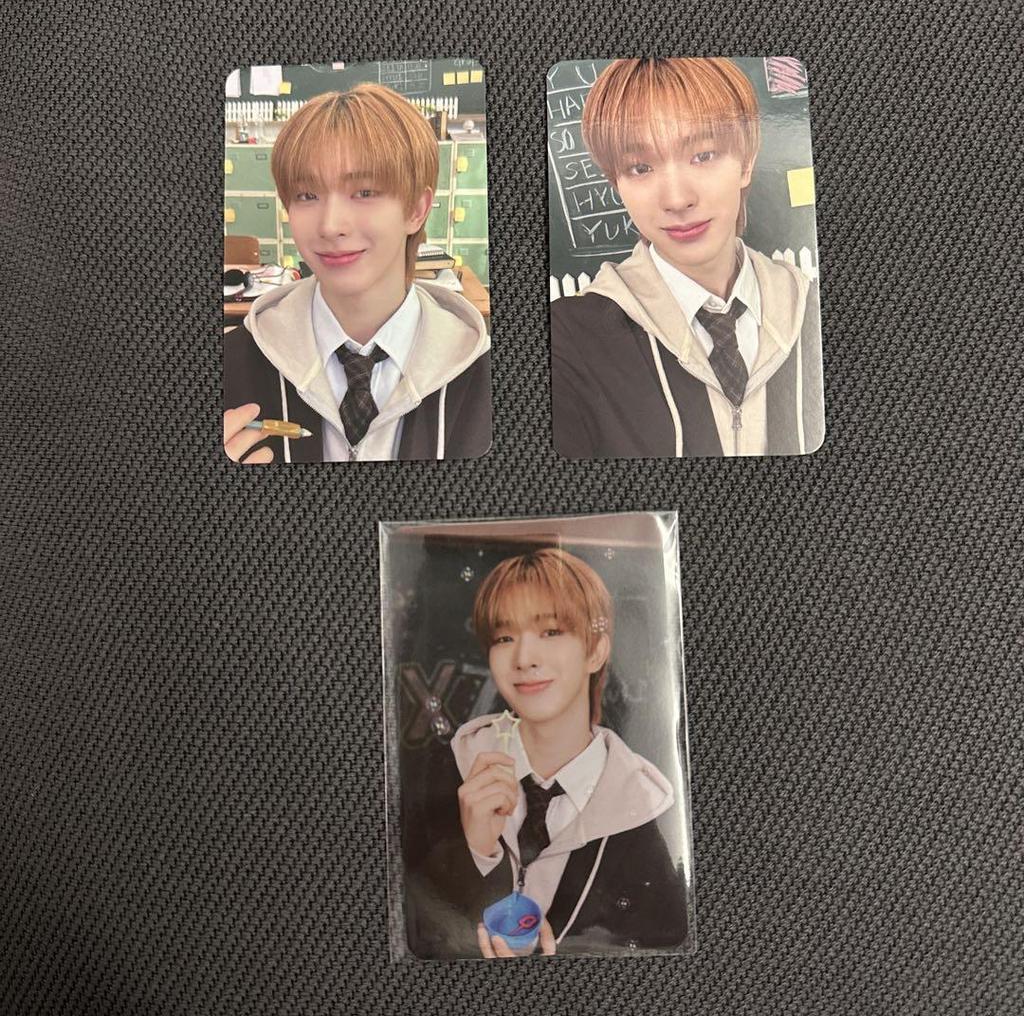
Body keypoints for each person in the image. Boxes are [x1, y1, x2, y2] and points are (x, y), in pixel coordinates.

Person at [404, 548, 689, 959]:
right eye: (504, 638)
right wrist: (477, 852)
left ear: (596, 651)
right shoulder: (449, 769)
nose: (524, 659)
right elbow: (417, 926)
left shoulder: (645, 811)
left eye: (551, 631)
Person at [550, 57, 824, 458]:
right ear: (616, 184)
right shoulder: (567, 340)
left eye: (703, 155)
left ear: (746, 162)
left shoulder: (811, 308)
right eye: (640, 167)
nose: (677, 199)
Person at [223, 84, 491, 463]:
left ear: (417, 210)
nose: (331, 225)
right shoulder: (235, 365)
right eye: (306, 195)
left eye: (364, 192)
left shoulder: (480, 375)